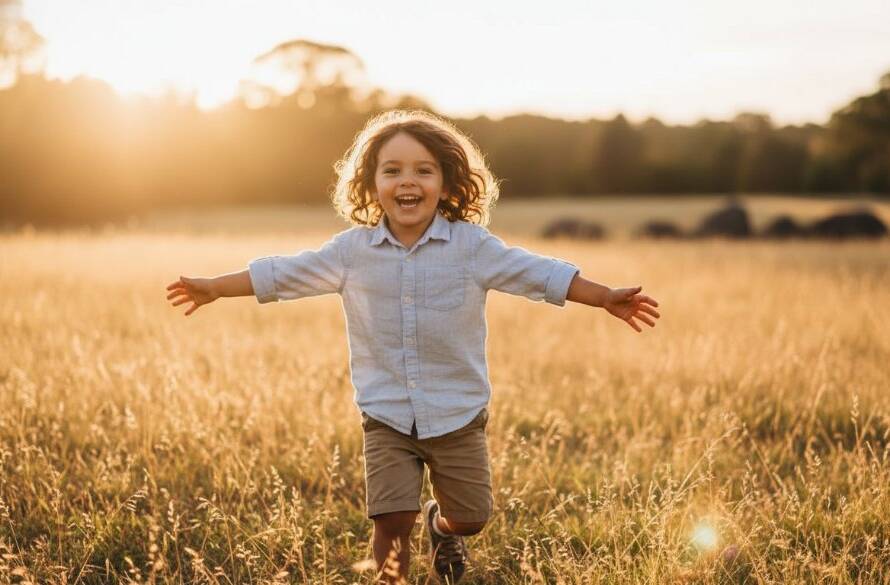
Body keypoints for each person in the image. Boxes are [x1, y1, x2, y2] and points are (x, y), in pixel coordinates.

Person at [165, 110, 660, 584]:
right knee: (390, 518)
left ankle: (442, 529)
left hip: (457, 414)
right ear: (371, 184)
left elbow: (537, 273)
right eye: (393, 170)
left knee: (471, 517)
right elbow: (283, 273)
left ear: (445, 184)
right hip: (387, 415)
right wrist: (215, 286)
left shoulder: (472, 246)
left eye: (424, 170)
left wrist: (602, 297)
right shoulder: (350, 253)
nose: (408, 181)